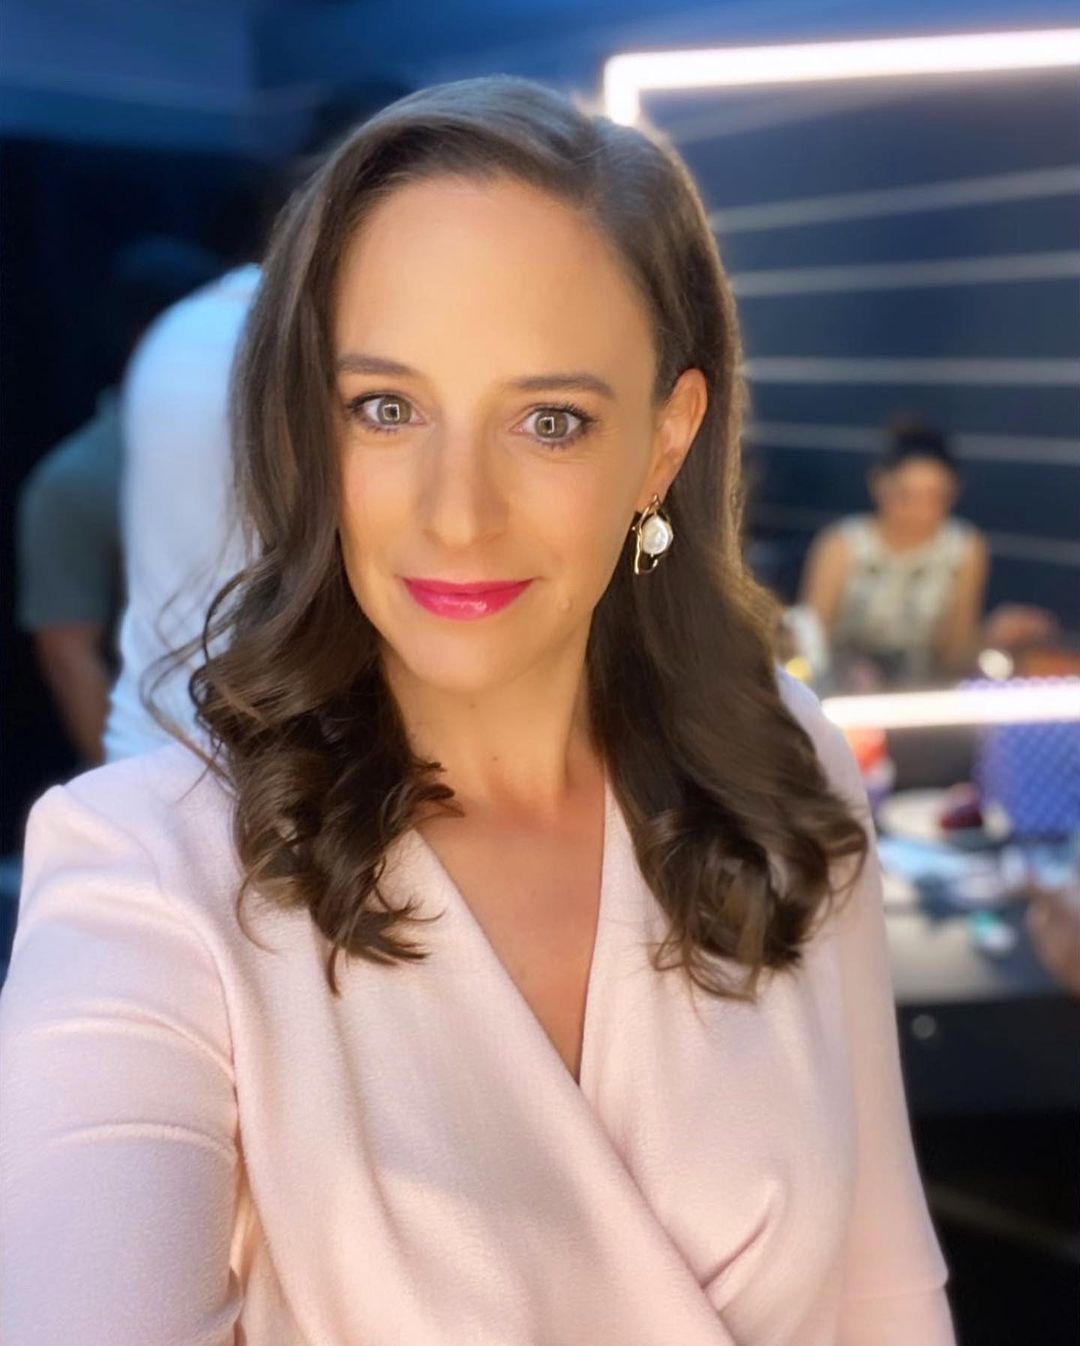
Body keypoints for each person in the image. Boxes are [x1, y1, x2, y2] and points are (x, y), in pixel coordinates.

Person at [0, 77, 955, 1344]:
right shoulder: (146, 872)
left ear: (666, 440)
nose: (457, 513)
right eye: (386, 408)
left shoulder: (779, 763)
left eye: (549, 420)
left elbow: (886, 1294)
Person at [15, 237, 221, 764]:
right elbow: (68, 651)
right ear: (149, 339)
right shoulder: (79, 480)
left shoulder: (260, 446)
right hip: (157, 762)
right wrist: (127, 788)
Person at [800, 421, 989, 687]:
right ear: (879, 486)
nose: (920, 512)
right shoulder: (842, 544)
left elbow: (956, 653)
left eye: (935, 497)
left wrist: (991, 638)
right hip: (844, 688)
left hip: (922, 691)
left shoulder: (964, 547)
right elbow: (810, 640)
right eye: (906, 496)